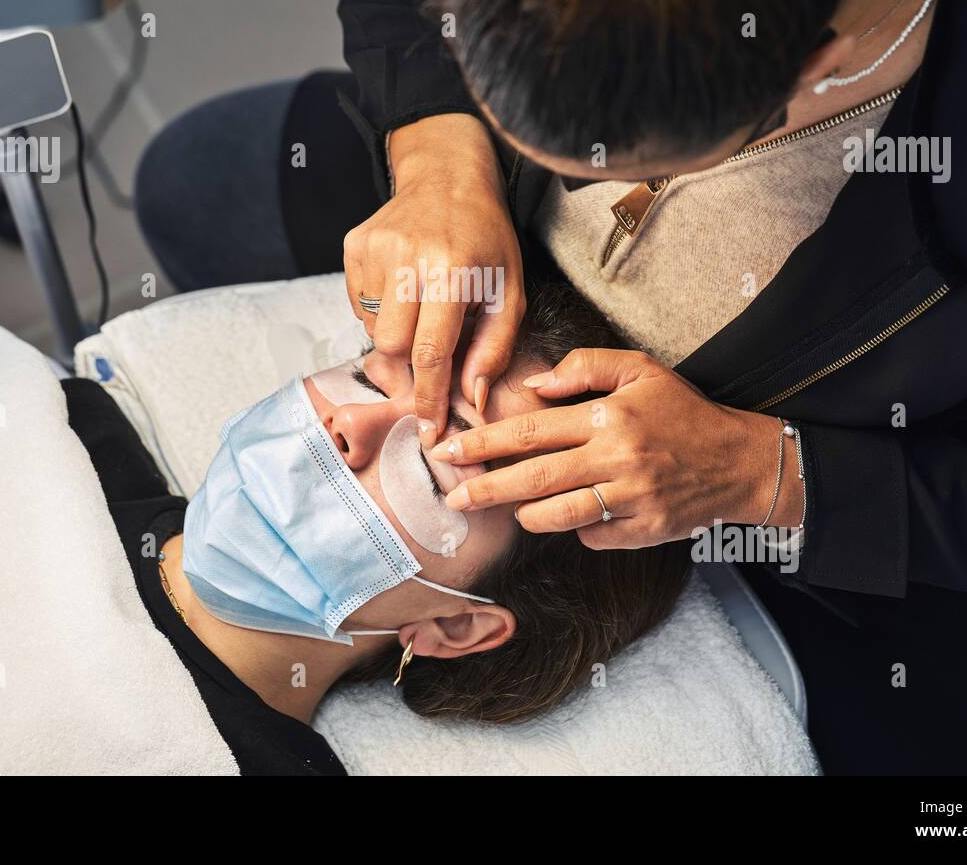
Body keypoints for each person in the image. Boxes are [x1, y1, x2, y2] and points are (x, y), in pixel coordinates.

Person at [135, 0, 967, 773]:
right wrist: (441, 165)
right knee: (195, 177)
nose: (572, 199)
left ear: (809, 76)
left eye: (596, 172)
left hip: (845, 474)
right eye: (375, 379)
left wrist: (764, 474)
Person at [67, 283, 691, 774]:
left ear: (457, 625)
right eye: (368, 378)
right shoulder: (66, 431)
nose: (346, 424)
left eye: (427, 465)